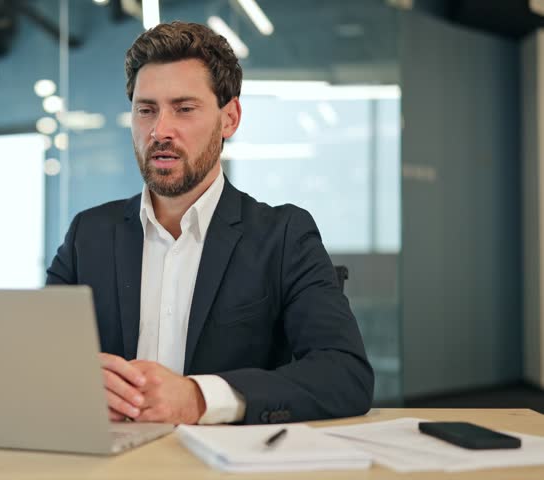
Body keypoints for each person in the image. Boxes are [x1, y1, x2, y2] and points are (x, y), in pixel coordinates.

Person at [47, 21, 373, 425]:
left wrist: (199, 399)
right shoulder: (89, 234)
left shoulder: (283, 235)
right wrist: (74, 381)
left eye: (184, 109)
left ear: (229, 119)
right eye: (146, 110)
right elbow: (37, 356)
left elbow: (345, 375)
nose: (160, 131)